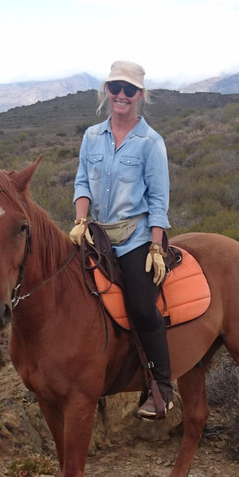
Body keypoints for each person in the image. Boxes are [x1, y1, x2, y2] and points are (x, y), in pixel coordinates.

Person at [69, 60, 173, 420]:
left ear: (140, 95)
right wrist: (81, 220)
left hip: (135, 237)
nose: (121, 96)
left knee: (142, 306)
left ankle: (162, 385)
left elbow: (158, 200)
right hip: (96, 232)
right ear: (107, 92)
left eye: (129, 90)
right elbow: (82, 181)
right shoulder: (91, 136)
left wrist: (156, 246)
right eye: (116, 88)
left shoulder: (150, 143)